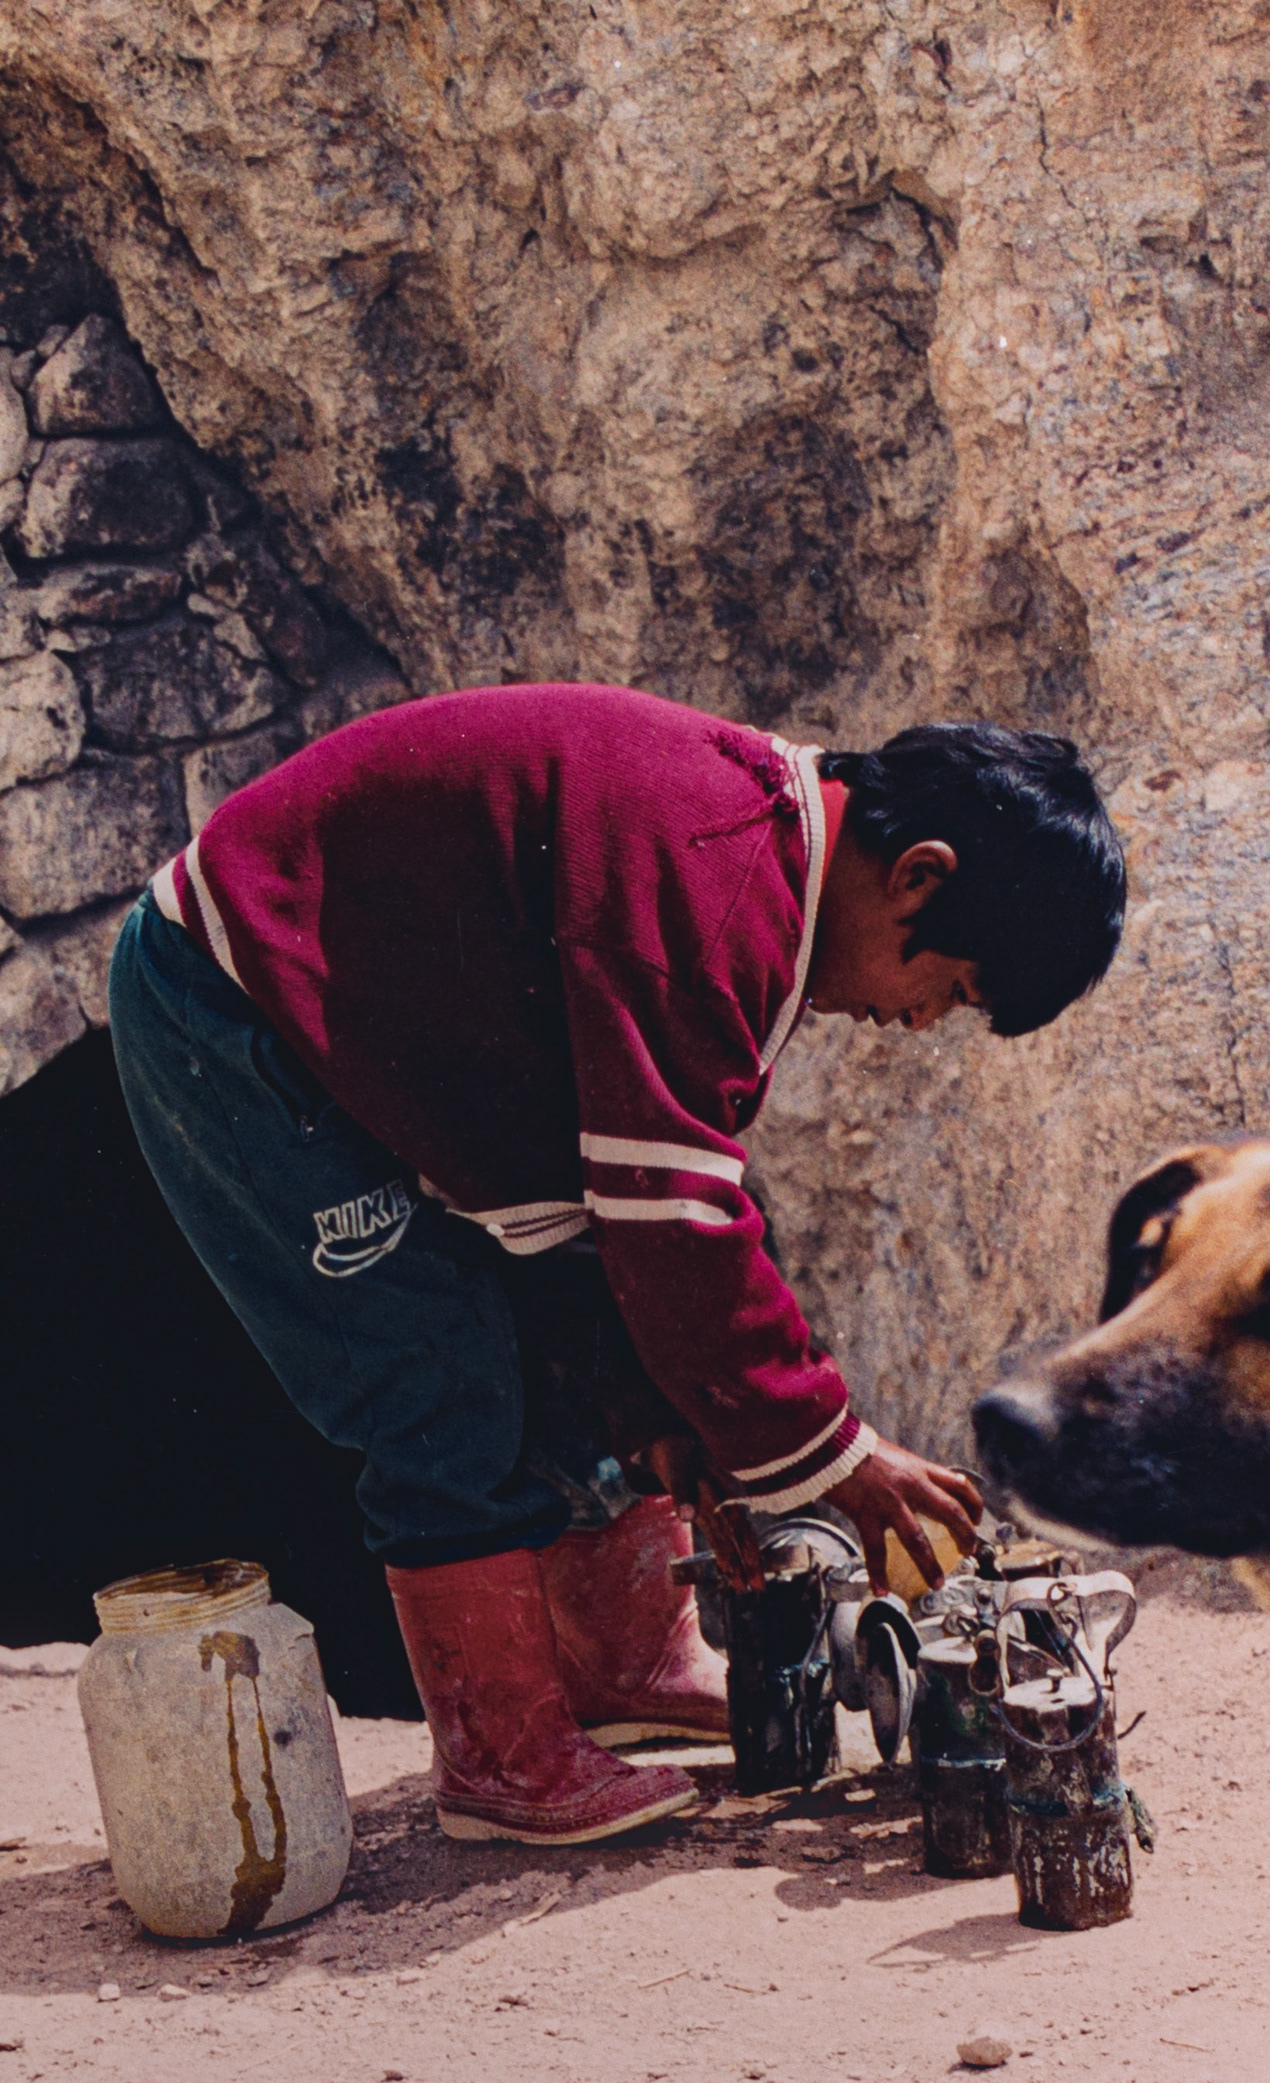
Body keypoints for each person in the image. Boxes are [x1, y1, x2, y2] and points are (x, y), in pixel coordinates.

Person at [108, 688, 1126, 1846]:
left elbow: (624, 1216)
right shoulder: (718, 877)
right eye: (951, 989)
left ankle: (626, 1661)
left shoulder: (757, 866)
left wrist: (688, 1427)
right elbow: (670, 1222)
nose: (921, 1021)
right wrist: (840, 1456)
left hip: (369, 1023)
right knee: (431, 1372)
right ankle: (497, 1758)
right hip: (236, 1001)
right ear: (919, 878)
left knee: (608, 1331)